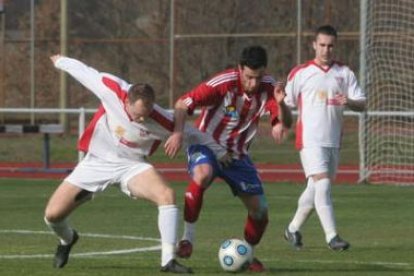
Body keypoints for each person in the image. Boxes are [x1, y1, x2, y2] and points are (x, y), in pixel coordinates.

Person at [44, 54, 227, 273]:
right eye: (138, 115)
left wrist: (220, 152)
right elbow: (85, 72)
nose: (142, 120)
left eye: (146, 115)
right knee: (53, 216)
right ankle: (68, 240)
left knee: (166, 195)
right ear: (126, 102)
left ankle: (168, 261)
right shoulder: (111, 90)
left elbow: (195, 135)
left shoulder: (159, 118)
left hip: (132, 166)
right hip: (96, 162)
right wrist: (61, 61)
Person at [164, 45, 292, 272]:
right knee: (202, 175)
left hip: (238, 155)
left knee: (260, 210)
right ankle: (187, 239)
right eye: (249, 77)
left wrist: (281, 108)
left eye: (258, 77)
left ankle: (247, 254)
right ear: (240, 69)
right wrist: (178, 132)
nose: (253, 83)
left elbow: (285, 124)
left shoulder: (270, 87)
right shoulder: (223, 83)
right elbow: (182, 104)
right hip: (206, 146)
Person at [283, 25, 366, 251]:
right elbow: (285, 103)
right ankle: (332, 237)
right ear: (314, 45)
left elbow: (362, 104)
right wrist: (279, 123)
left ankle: (292, 228)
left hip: (333, 141)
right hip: (310, 140)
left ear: (335, 46)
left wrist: (349, 102)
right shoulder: (301, 73)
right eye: (322, 45)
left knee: (314, 189)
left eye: (330, 46)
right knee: (323, 184)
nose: (326, 50)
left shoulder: (344, 73)